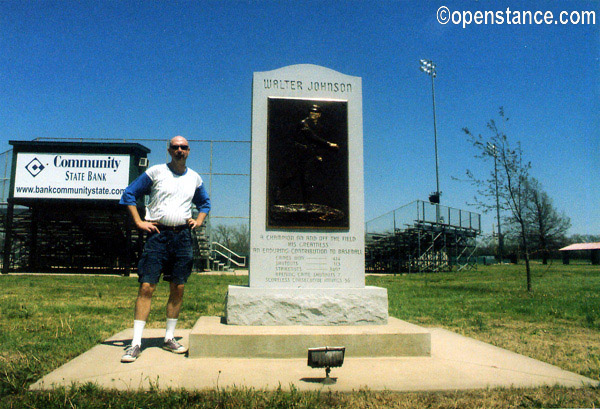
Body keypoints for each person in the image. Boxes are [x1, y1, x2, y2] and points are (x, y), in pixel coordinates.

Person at [119, 135, 210, 363]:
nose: (180, 150)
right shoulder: (156, 172)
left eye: (184, 147)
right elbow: (128, 194)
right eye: (175, 147)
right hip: (157, 236)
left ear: (189, 151)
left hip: (182, 238)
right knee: (147, 286)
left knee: (177, 287)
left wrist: (198, 220)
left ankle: (169, 338)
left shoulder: (195, 178)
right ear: (169, 150)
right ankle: (136, 343)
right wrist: (139, 222)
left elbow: (205, 203)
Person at [273, 104, 339, 205]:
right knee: (295, 175)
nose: (313, 114)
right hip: (299, 153)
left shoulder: (318, 126)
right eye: (311, 112)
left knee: (307, 177)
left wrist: (317, 155)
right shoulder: (303, 123)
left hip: (309, 154)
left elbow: (314, 143)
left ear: (319, 114)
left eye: (316, 112)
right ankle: (279, 189)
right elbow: (311, 137)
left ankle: (307, 202)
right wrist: (329, 144)